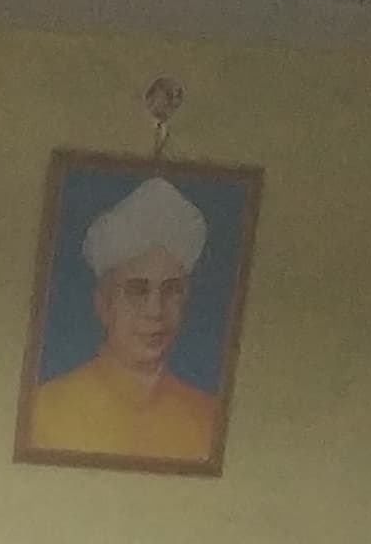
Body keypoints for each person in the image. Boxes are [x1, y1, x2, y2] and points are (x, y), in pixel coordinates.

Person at [25, 175, 226, 466]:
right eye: (137, 290)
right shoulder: (45, 411)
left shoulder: (207, 418)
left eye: (171, 290)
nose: (155, 310)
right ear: (104, 304)